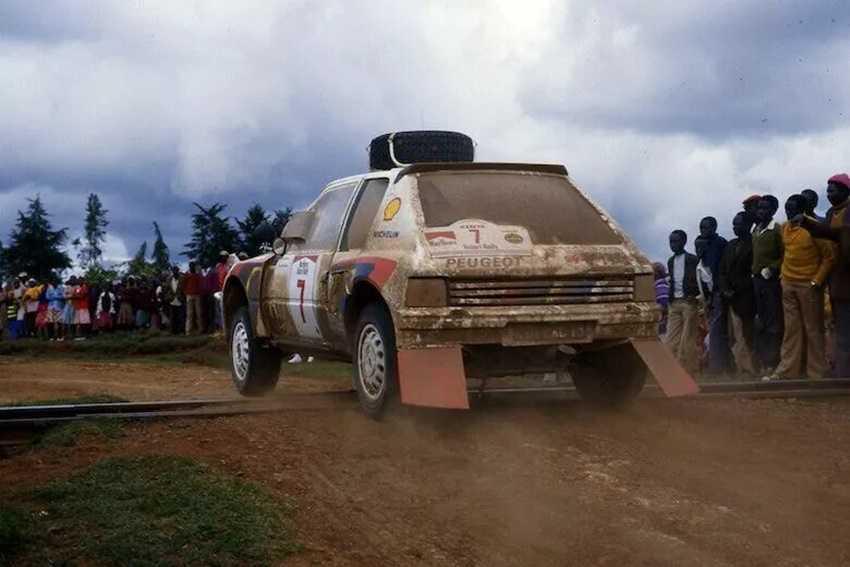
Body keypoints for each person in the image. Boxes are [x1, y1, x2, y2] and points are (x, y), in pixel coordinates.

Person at [764, 195, 835, 381]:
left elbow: (829, 257)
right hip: (788, 284)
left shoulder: (814, 228)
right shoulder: (785, 228)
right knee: (791, 329)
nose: (789, 212)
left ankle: (816, 372)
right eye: (787, 208)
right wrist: (782, 278)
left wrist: (816, 282)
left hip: (809, 285)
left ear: (802, 209)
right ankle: (787, 370)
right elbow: (785, 252)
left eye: (793, 208)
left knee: (813, 329)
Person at [799, 173, 850, 378]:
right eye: (828, 190)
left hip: (846, 275)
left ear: (845, 191)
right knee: (841, 327)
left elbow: (836, 235)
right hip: (837, 278)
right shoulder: (831, 213)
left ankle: (843, 373)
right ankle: (842, 370)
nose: (829, 194)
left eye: (833, 190)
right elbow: (829, 233)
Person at [718, 212, 756, 377]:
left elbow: (753, 271)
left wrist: (739, 289)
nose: (735, 227)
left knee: (748, 334)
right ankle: (741, 367)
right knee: (736, 335)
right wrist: (726, 289)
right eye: (733, 224)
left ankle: (751, 368)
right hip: (730, 297)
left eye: (738, 224)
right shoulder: (730, 245)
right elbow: (722, 270)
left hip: (747, 296)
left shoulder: (754, 243)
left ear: (748, 225)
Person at [751, 195, 784, 373]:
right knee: (760, 322)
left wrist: (772, 269)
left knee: (772, 321)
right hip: (756, 281)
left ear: (772, 211)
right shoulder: (755, 229)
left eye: (764, 208)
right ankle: (763, 362)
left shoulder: (776, 229)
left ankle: (772, 362)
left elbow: (784, 255)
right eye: (759, 208)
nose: (760, 211)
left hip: (770, 282)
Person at [664, 230, 700, 375]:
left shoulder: (692, 259)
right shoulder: (671, 261)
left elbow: (699, 278)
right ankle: (672, 371)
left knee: (687, 340)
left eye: (676, 241)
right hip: (674, 303)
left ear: (684, 242)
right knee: (670, 340)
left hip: (688, 302)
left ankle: (689, 370)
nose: (673, 245)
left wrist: (695, 295)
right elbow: (672, 280)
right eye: (671, 241)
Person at [698, 217, 730, 374]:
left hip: (719, 290)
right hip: (707, 293)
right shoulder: (701, 244)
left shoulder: (720, 243)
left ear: (714, 228)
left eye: (706, 228)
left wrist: (720, 289)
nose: (703, 230)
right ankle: (717, 365)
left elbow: (721, 269)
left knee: (717, 329)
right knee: (712, 328)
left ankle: (716, 367)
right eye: (701, 228)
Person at [162, 266, 185, 335]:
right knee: (173, 317)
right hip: (172, 300)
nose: (175, 272)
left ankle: (181, 331)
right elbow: (167, 289)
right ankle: (173, 332)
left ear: (178, 271)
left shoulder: (182, 278)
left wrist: (183, 297)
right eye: (173, 271)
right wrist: (168, 297)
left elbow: (184, 288)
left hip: (180, 299)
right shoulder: (169, 279)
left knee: (181, 317)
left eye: (176, 270)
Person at [184, 261, 203, 335]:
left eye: (193, 265)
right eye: (191, 265)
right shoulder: (187, 275)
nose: (192, 267)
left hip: (197, 295)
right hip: (189, 295)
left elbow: (200, 284)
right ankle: (188, 331)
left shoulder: (197, 275)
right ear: (189, 266)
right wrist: (186, 293)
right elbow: (183, 285)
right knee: (189, 314)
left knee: (199, 313)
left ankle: (200, 329)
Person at [653, 262, 669, 335]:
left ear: (656, 273)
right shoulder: (663, 284)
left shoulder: (661, 285)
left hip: (661, 323)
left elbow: (664, 303)